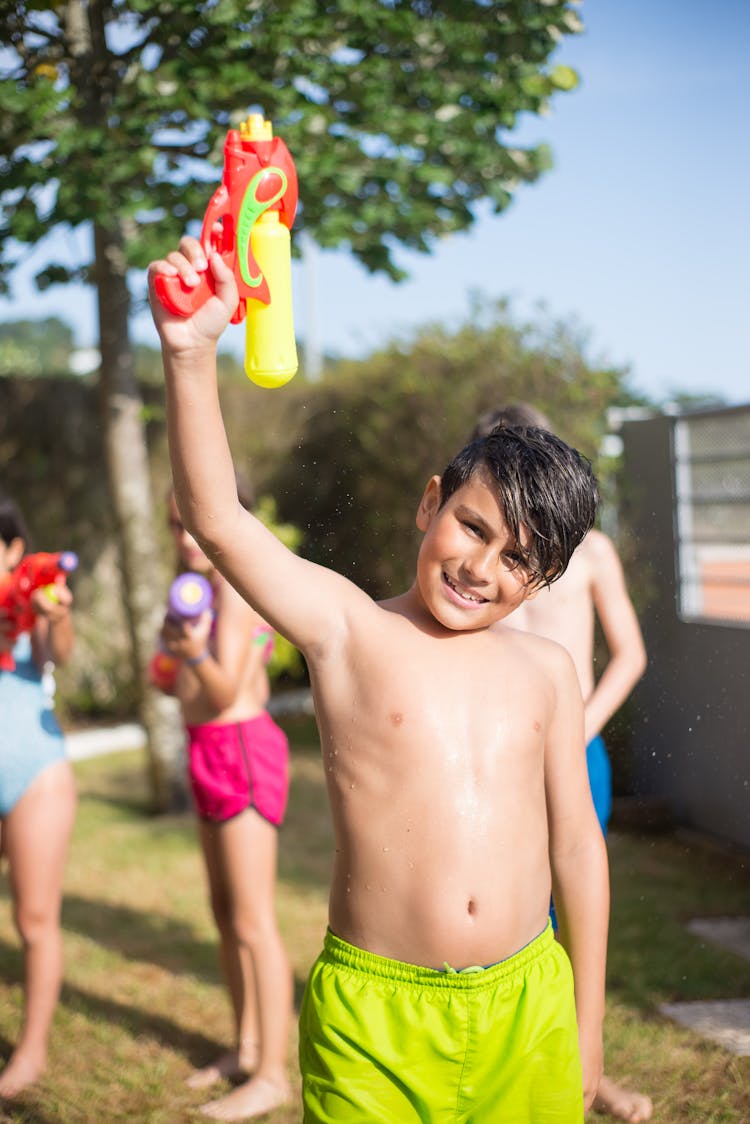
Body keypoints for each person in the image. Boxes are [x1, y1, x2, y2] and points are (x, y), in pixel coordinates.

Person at [148, 238, 609, 1122]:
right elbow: (218, 520)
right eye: (472, 528)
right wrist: (189, 353)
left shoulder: (548, 671)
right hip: (376, 1014)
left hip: (529, 1001)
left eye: (518, 561)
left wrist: (586, 1022)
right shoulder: (348, 629)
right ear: (431, 502)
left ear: (544, 581)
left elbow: (579, 851)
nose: (482, 568)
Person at [474, 404, 652, 1124]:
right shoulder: (479, 553)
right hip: (491, 753)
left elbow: (630, 653)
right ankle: (505, 1058)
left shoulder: (594, 553)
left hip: (576, 751)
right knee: (506, 908)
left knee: (572, 911)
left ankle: (587, 1065)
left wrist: (580, 730)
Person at [152, 480, 294, 1121]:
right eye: (175, 527)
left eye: (193, 525)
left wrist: (190, 654)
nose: (185, 539)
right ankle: (244, 1049)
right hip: (205, 749)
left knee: (253, 919)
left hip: (240, 750)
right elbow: (177, 687)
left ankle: (273, 1075)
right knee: (223, 912)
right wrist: (172, 658)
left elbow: (222, 687)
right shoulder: (197, 591)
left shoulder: (236, 587)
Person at [0, 493, 76, 1100]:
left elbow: (61, 655)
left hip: (34, 776)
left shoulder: (31, 598)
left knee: (34, 917)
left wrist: (54, 615)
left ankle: (31, 1052)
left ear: (14, 549)